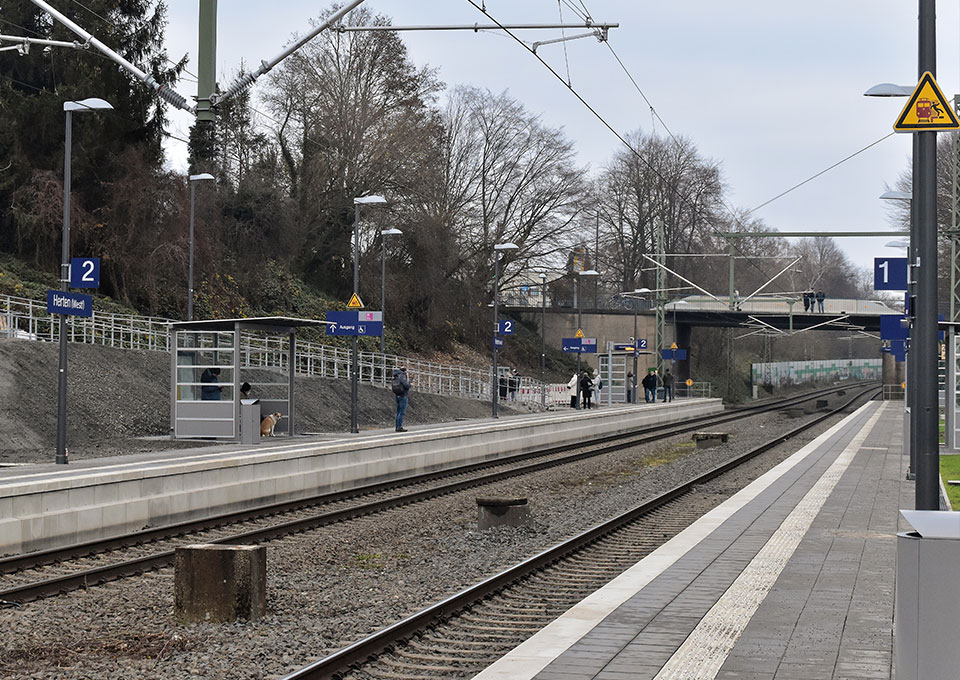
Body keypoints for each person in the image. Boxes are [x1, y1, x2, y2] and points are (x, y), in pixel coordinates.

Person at [391, 366, 411, 432]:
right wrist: (409, 383)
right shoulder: (402, 375)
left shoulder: (396, 375)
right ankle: (399, 427)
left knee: (398, 412)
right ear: (405, 371)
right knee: (401, 412)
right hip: (403, 395)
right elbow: (406, 385)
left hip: (397, 395)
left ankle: (397, 426)